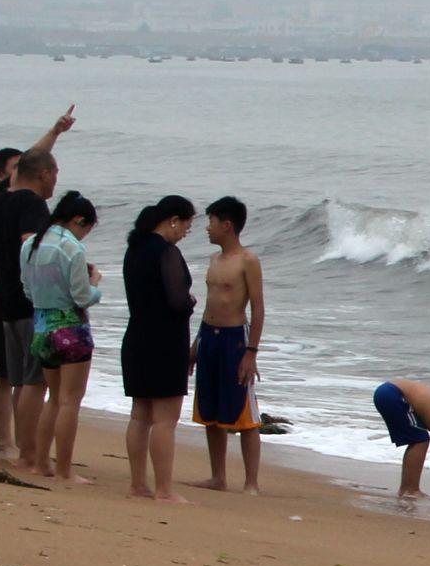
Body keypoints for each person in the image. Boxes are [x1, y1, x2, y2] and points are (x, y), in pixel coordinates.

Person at [0, 106, 74, 458]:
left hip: (6, 299)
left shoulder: (1, 200)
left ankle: (23, 448)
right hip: (30, 303)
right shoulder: (31, 204)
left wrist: (55, 132)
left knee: (20, 380)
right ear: (44, 175)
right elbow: (33, 248)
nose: (56, 182)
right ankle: (30, 453)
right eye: (54, 174)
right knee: (34, 381)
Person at [20, 192, 102, 485]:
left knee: (53, 398)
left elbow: (27, 290)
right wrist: (96, 286)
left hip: (41, 326)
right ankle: (65, 469)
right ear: (79, 221)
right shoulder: (72, 248)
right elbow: (82, 297)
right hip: (70, 328)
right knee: (70, 401)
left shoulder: (31, 244)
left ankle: (41, 462)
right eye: (86, 228)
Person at [121, 195, 198, 504]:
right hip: (165, 341)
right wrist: (192, 303)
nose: (185, 233)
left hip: (137, 335)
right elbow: (178, 299)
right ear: (173, 220)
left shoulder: (134, 249)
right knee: (165, 419)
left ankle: (138, 483)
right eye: (187, 226)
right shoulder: (166, 252)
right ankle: (164, 488)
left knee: (140, 415)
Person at [190, 196, 266, 494]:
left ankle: (251, 482)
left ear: (227, 225)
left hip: (236, 339)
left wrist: (252, 352)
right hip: (210, 336)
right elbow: (209, 304)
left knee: (244, 414)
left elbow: (258, 309)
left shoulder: (248, 260)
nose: (207, 228)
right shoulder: (213, 260)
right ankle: (218, 476)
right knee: (209, 410)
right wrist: (197, 342)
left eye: (211, 222)